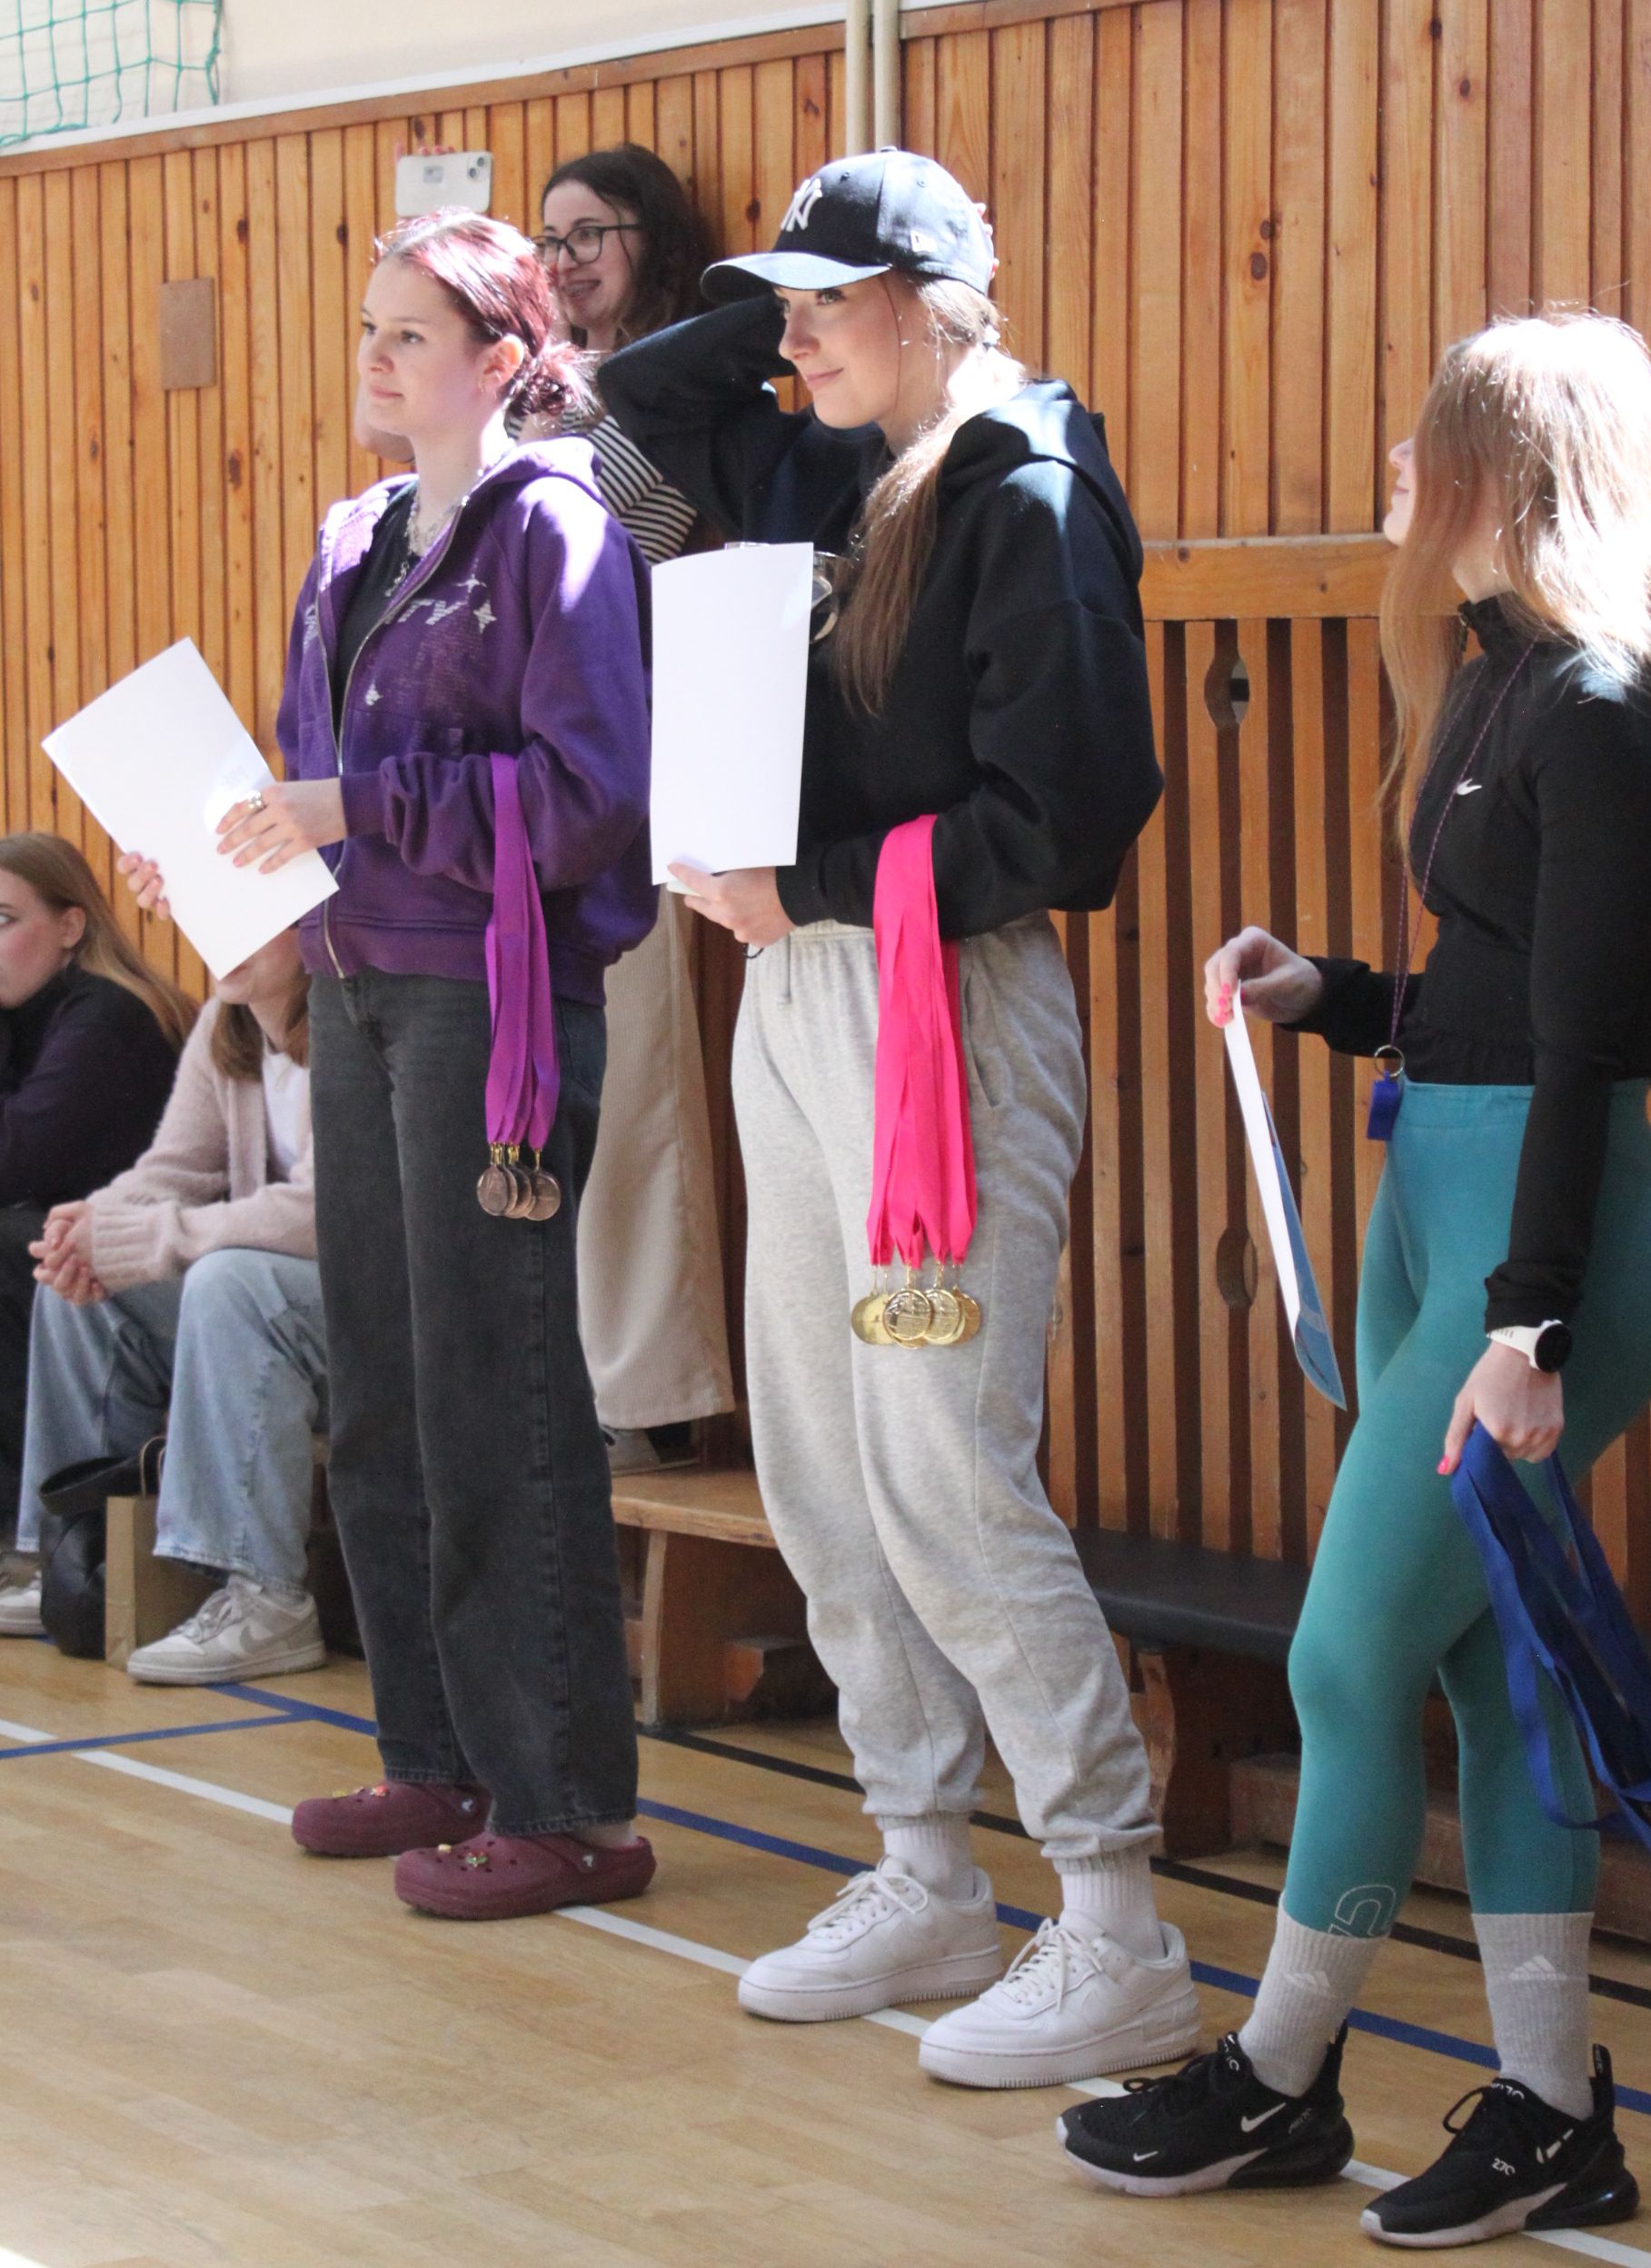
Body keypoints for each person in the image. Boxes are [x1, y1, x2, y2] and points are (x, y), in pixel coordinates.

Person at [1059, 313, 1651, 2245]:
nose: (1391, 475)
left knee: (1339, 1657)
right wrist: (1327, 995)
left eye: (1420, 446)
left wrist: (1525, 1326)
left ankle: (1277, 2071)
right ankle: (1549, 2112)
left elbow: (1583, 1052)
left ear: (1498, 476)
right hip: (1441, 1215)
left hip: (1529, 1259)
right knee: (1482, 1663)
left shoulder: (1603, 708)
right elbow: (1485, 998)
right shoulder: (1496, 680)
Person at [601, 150, 1182, 2088]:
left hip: (943, 999)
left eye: (827, 302)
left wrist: (819, 885)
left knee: (943, 1465)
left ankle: (1111, 1913)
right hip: (796, 989)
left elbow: (1067, 827)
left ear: (935, 308)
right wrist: (789, 319)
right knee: (820, 1461)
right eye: (780, 307)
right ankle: (924, 1864)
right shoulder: (814, 460)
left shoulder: (1026, 490)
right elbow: (628, 415)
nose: (788, 339)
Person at [164, 209, 657, 1920]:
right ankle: (436, 1756)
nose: (372, 359)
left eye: (410, 335)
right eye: (369, 327)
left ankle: (570, 1805)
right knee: (379, 1384)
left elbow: (588, 801)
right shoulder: (358, 532)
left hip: (488, 1005)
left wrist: (352, 807)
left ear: (505, 360)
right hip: (361, 988)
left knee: (494, 1389)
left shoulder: (560, 530)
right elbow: (307, 785)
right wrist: (217, 849)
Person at [533, 145, 733, 1471]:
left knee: (638, 1088)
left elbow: (646, 538)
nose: (566, 261)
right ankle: (553, 1382)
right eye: (548, 240)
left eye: (591, 233)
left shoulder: (684, 379)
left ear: (651, 238)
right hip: (526, 782)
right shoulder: (535, 389)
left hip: (650, 774)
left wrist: (553, 446)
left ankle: (646, 1397)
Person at [2, 928, 325, 1681]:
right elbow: (171, 1170)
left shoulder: (353, 1019)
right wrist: (91, 1229)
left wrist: (151, 1237)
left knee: (226, 1281)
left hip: (380, 1318)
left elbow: (327, 1213)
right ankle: (70, 1563)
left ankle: (268, 1599)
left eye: (254, 918)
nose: (229, 934)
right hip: (279, 1307)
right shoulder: (226, 1022)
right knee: (86, 1284)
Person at [0, 831, 190, 1588]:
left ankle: (28, 1542)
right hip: (105, 1267)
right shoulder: (26, 1016)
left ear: (71, 925)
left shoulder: (108, 1017)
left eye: (3, 920)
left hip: (166, 1279)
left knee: (19, 1244)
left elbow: (16, 1160)